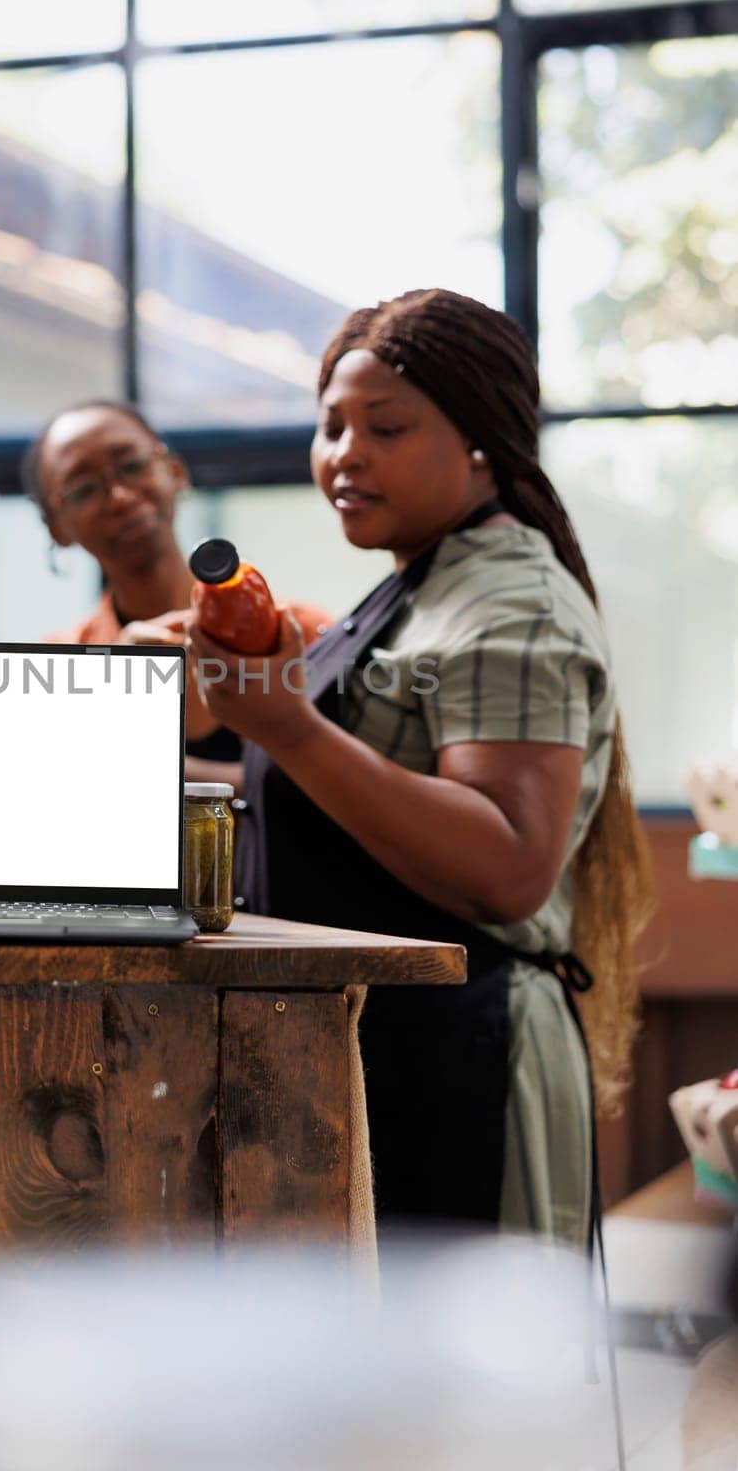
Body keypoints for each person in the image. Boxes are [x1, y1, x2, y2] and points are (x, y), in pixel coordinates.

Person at [186, 289, 655, 1245]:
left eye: (385, 426)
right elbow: (344, 813)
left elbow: (509, 864)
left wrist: (287, 726)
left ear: (479, 438)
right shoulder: (419, 585)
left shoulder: (508, 604)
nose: (344, 454)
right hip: (383, 1051)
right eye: (330, 426)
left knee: (469, 1393)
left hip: (458, 1064)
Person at [24, 399, 332, 784]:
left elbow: (341, 794)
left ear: (175, 472)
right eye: (84, 489)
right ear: (57, 528)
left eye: (132, 466)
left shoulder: (303, 634)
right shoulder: (57, 670)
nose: (119, 495)